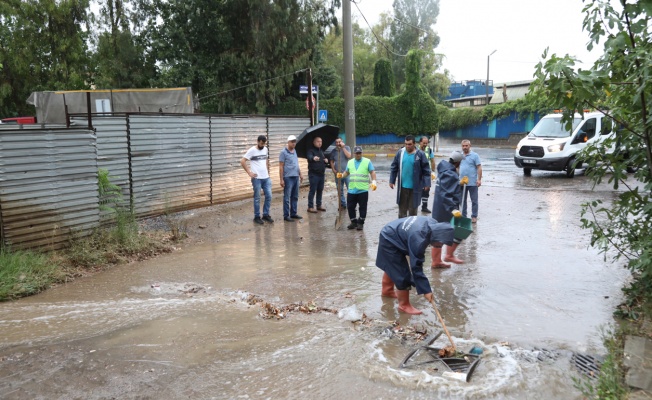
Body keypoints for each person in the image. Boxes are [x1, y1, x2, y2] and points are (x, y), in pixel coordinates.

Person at [376, 216, 455, 315]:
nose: (441, 246)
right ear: (436, 236)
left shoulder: (433, 223)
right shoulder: (419, 239)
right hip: (389, 238)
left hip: (393, 231)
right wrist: (426, 291)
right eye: (441, 243)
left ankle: (387, 291)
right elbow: (416, 267)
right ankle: (404, 305)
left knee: (392, 266)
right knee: (402, 274)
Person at [431, 150, 465, 267]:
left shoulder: (444, 169)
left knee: (438, 234)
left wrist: (459, 183)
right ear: (457, 162)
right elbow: (446, 193)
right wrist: (453, 209)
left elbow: (447, 187)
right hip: (446, 208)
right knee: (464, 227)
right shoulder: (450, 174)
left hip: (439, 207)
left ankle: (436, 261)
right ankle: (449, 255)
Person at [389, 135, 431, 218]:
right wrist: (392, 180)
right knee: (402, 212)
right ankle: (401, 228)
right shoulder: (400, 153)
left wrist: (427, 183)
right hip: (403, 187)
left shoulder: (420, 154)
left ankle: (411, 229)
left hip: (415, 188)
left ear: (414, 144)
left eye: (410, 144)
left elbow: (426, 170)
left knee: (412, 212)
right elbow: (394, 167)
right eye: (406, 144)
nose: (407, 146)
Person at [337, 146, 377, 231]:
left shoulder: (367, 161)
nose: (358, 155)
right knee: (350, 206)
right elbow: (347, 172)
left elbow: (372, 172)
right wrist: (342, 175)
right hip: (352, 189)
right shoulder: (350, 162)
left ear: (362, 153)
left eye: (360, 153)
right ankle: (353, 222)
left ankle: (361, 223)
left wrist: (373, 182)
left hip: (363, 189)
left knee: (362, 207)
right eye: (356, 153)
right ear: (354, 154)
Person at [240, 135, 274, 225]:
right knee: (257, 198)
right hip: (257, 178)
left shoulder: (265, 149)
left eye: (264, 143)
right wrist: (249, 172)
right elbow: (242, 161)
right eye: (261, 143)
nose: (262, 145)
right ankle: (257, 216)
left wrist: (267, 170)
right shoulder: (252, 150)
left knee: (269, 196)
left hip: (266, 178)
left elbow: (266, 159)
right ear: (257, 141)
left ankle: (266, 214)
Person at [279, 135, 304, 222]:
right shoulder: (283, 152)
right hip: (288, 177)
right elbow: (281, 166)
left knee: (295, 196)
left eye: (295, 142)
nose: (294, 143)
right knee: (287, 197)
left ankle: (293, 213)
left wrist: (300, 174)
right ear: (288, 142)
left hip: (296, 176)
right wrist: (281, 179)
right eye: (292, 142)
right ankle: (286, 215)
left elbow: (296, 163)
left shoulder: (294, 151)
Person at [460, 139, 482, 223]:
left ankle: (474, 216)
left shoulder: (475, 155)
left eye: (466, 146)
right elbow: (457, 167)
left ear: (470, 146)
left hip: (472, 183)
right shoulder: (460, 155)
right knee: (462, 200)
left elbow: (479, 167)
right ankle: (463, 215)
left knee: (474, 200)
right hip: (462, 182)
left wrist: (479, 179)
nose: (465, 147)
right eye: (463, 146)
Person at [306, 136, 328, 213]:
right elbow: (309, 157)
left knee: (320, 190)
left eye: (321, 142)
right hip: (314, 174)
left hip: (321, 174)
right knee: (312, 190)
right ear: (314, 142)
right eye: (318, 141)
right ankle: (310, 206)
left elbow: (323, 161)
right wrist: (313, 158)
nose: (320, 143)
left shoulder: (321, 151)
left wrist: (326, 161)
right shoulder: (310, 151)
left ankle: (319, 205)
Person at [330, 137, 351, 208]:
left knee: (350, 189)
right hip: (338, 173)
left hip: (347, 173)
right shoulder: (334, 151)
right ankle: (343, 204)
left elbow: (349, 156)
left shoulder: (347, 148)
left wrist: (343, 148)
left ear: (342, 141)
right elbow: (331, 161)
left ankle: (351, 204)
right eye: (337, 142)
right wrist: (333, 169)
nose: (338, 144)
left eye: (339, 142)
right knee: (340, 190)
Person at [418, 136, 436, 214]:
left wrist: (433, 171)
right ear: (420, 142)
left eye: (426, 143)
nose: (425, 144)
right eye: (423, 143)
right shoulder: (416, 150)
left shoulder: (429, 150)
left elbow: (432, 161)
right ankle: (412, 206)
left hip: (427, 173)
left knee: (426, 189)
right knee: (416, 189)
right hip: (418, 173)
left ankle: (424, 207)